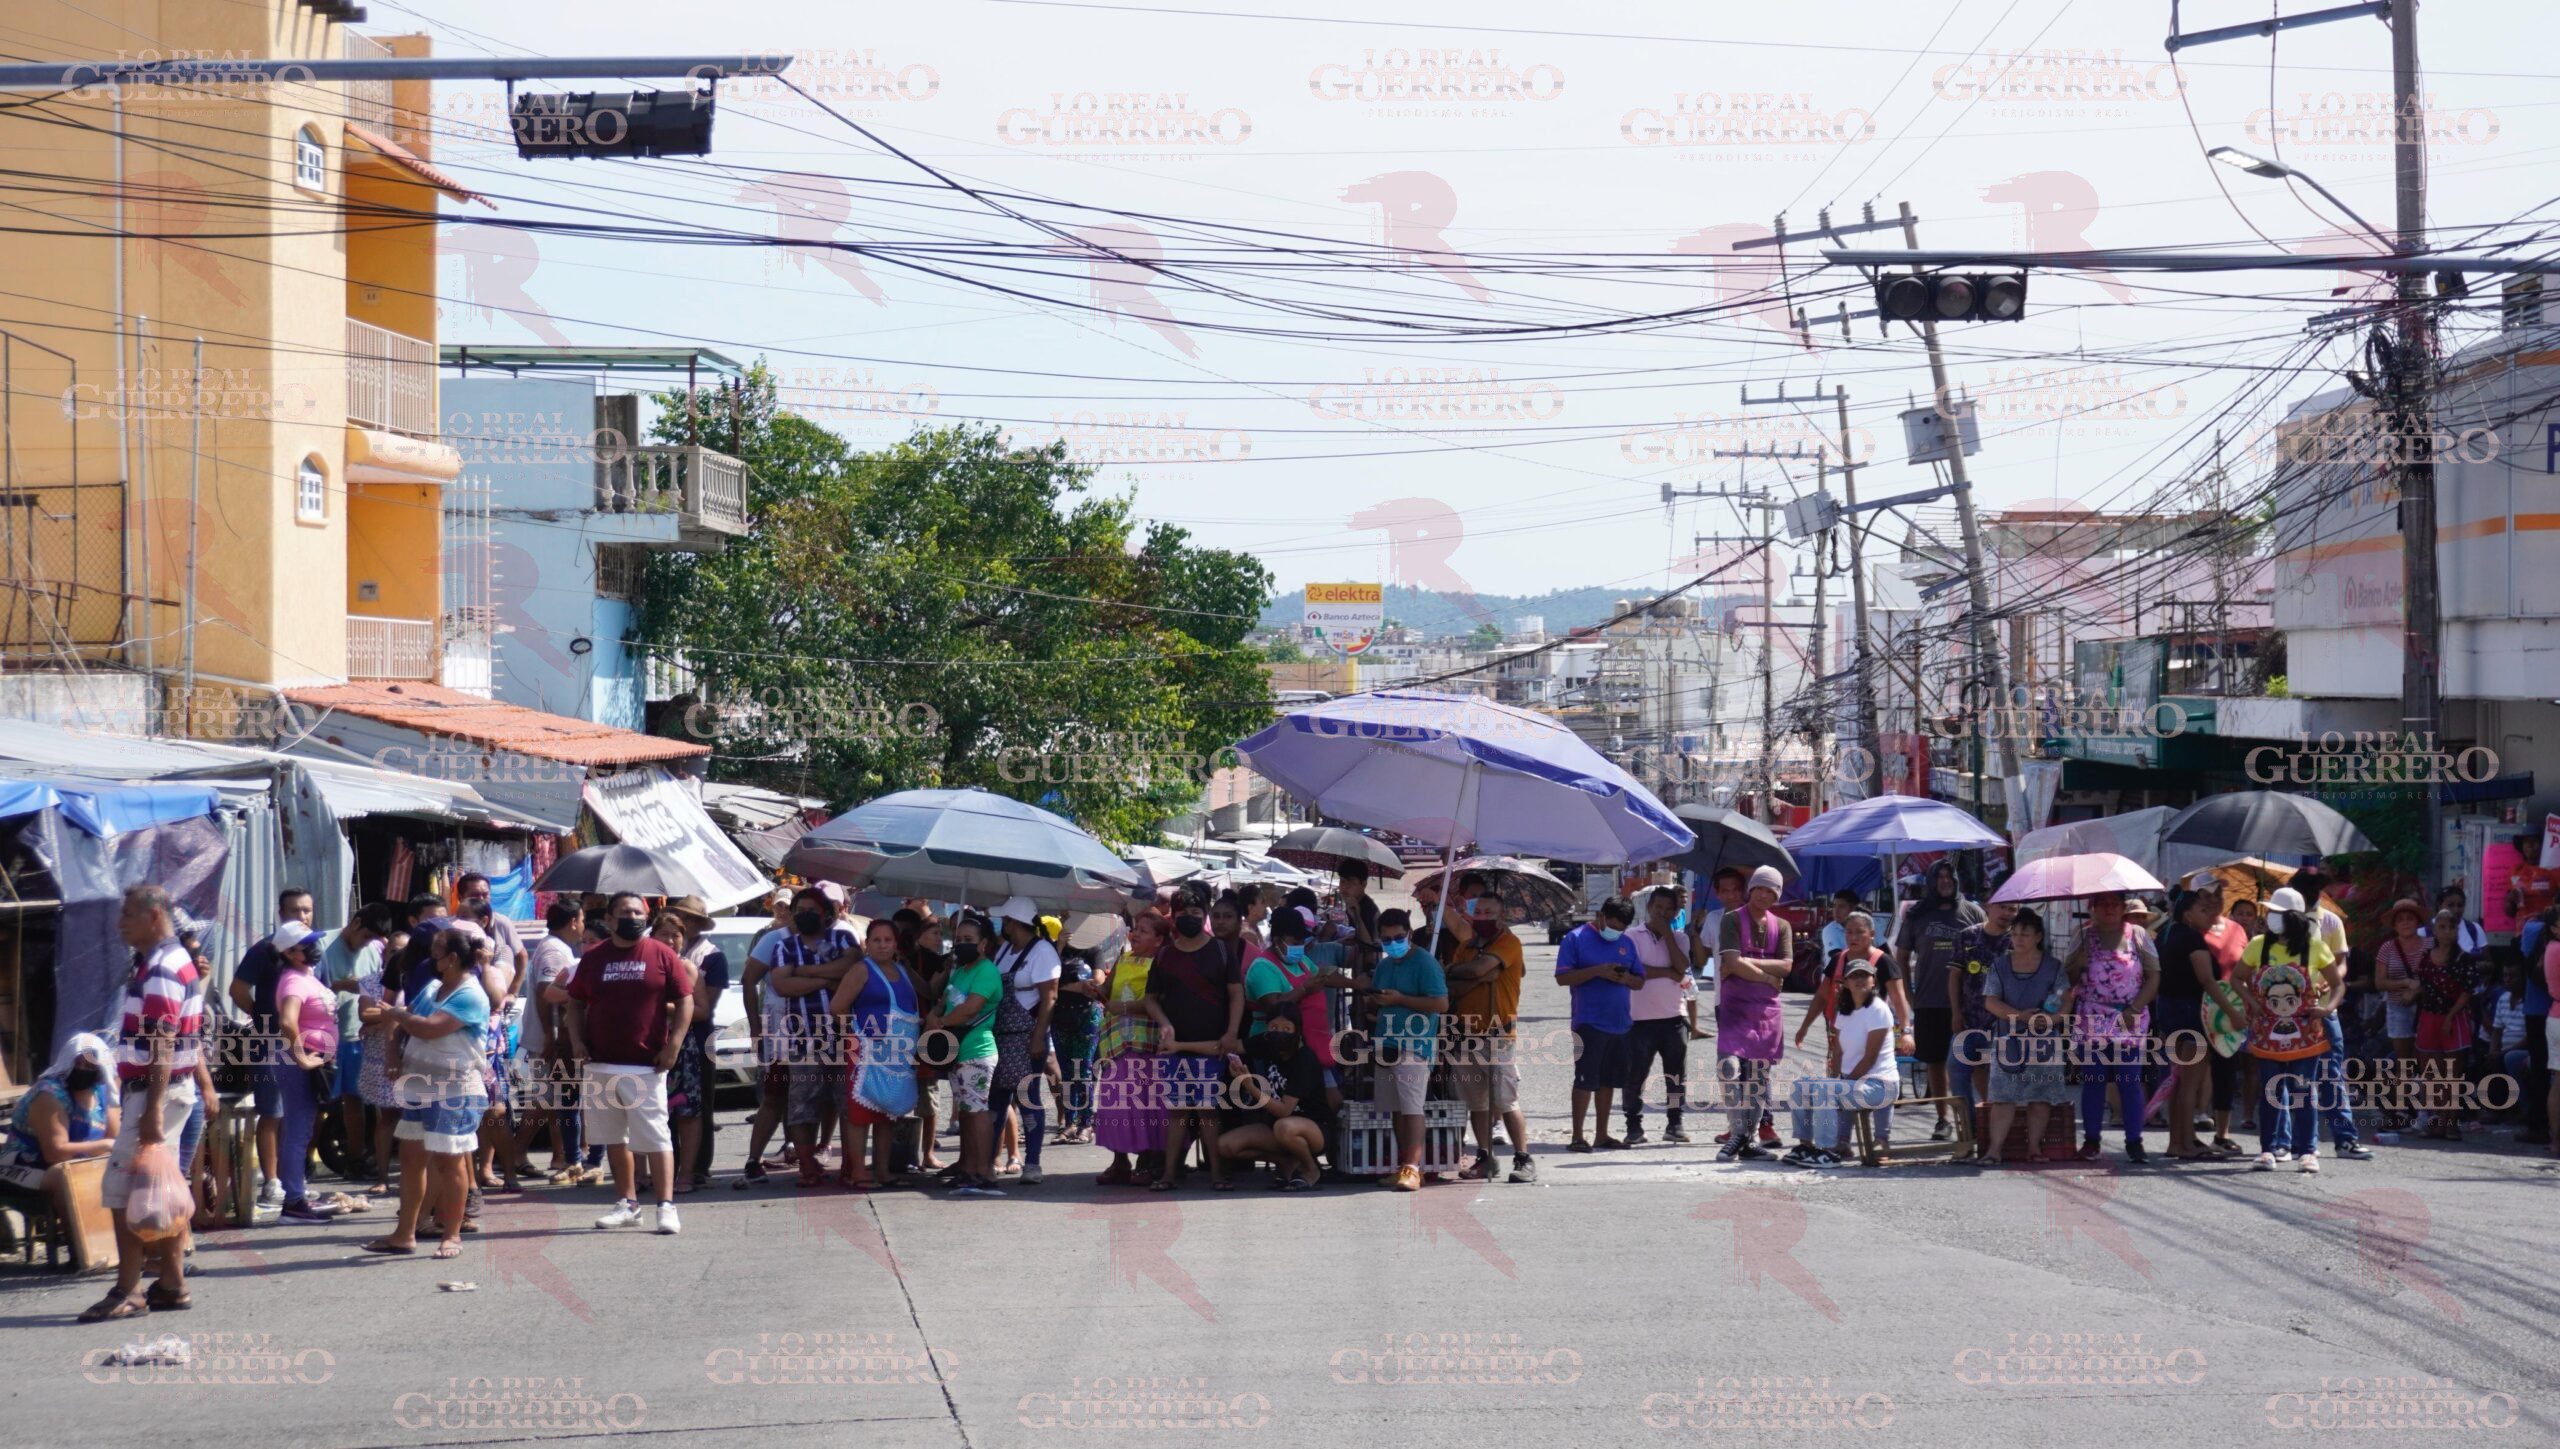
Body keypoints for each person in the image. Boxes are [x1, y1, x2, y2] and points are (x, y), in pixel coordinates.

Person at [79, 886, 207, 1322]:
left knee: (124, 1193)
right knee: (158, 1192)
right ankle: (171, 1283)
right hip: (167, 1090)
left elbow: (162, 1040)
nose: (120, 923)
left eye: (128, 915)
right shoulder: (166, 962)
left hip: (155, 1093)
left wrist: (151, 1108)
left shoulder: (162, 968)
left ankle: (128, 1289)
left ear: (154, 917)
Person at [566, 892, 694, 1233]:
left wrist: (674, 1046)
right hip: (600, 1062)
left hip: (646, 1065)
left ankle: (666, 1206)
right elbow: (574, 1002)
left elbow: (685, 1001)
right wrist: (577, 1041)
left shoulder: (662, 954)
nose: (632, 916)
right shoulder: (594, 958)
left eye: (638, 911)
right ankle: (627, 1203)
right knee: (613, 1139)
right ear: (609, 919)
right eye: (624, 911)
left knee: (655, 1137)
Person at [364, 923, 492, 1261]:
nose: (429, 955)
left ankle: (451, 1234)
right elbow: (402, 1020)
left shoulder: (471, 994)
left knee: (451, 1164)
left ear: (451, 958)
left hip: (455, 1088)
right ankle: (404, 1233)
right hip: (419, 1084)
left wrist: (395, 1014)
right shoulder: (434, 986)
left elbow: (429, 1028)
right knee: (410, 1161)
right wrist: (393, 1052)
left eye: (436, 950)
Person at [1144, 890, 1245, 1191]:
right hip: (1174, 1048)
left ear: (1205, 915)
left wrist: (1231, 1032)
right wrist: (1164, 1023)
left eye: (1196, 912)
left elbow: (1236, 994)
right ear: (1173, 916)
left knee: (1207, 1110)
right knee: (1176, 1111)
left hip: (1211, 1045)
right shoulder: (1164, 955)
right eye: (1183, 913)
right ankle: (1169, 1175)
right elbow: (1150, 1000)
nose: (1190, 917)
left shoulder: (1221, 951)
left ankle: (1217, 1174)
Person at [759, 886, 857, 1189]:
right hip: (802, 1039)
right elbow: (782, 985)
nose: (805, 916)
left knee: (848, 1103)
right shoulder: (783, 946)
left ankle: (852, 1165)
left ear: (827, 914)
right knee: (802, 1105)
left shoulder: (843, 938)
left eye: (812, 910)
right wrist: (829, 978)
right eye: (799, 911)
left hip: (843, 1038)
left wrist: (804, 973)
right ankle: (807, 1164)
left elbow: (851, 967)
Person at [227, 886, 314, 1211]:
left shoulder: (312, 950)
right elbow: (237, 989)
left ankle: (295, 1182)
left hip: (304, 1043)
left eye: (306, 910)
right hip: (268, 1043)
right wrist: (260, 1015)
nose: (301, 916)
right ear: (281, 915)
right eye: (294, 911)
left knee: (299, 1112)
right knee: (272, 1112)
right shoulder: (265, 949)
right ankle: (272, 1183)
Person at [2241, 888, 2335, 1171]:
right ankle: (2268, 1149)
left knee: (2303, 1090)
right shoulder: (2258, 945)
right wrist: (2251, 1004)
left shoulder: (2315, 947)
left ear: (2291, 917)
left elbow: (2339, 983)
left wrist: (2329, 1009)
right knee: (2270, 1090)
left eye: (2275, 913)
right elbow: (2237, 979)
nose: (2270, 917)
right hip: (2267, 1032)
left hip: (2307, 1033)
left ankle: (2307, 1150)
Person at [1444, 892, 1534, 1183]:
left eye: (1488, 912)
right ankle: (1485, 1157)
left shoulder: (1508, 943)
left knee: (1506, 1100)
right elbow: (1453, 986)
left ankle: (1523, 1158)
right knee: (1476, 1103)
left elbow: (1475, 969)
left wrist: (1471, 973)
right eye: (1478, 911)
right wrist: (1477, 977)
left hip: (1497, 1036)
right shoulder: (1467, 946)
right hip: (1465, 1034)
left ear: (1501, 916)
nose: (1482, 917)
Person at [2064, 891, 2159, 1165]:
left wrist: (2136, 1008)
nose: (2109, 909)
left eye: (2114, 903)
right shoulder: (2081, 936)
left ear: (2122, 907)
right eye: (2101, 903)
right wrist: (2076, 964)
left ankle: (2135, 1141)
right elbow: (2067, 978)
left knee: (2129, 1081)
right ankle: (2092, 1140)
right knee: (2093, 1082)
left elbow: (2154, 977)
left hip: (2129, 1017)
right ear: (2091, 907)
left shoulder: (2138, 935)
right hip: (2091, 1018)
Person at [828, 918, 920, 1191]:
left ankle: (883, 1170)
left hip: (897, 1056)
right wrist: (859, 1036)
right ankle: (859, 1172)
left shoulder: (902, 970)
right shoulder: (860, 970)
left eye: (887, 940)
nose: (882, 945)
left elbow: (924, 993)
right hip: (866, 1054)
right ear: (867, 944)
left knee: (887, 1112)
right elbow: (837, 1007)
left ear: (896, 944)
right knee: (860, 1113)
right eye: (876, 940)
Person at [1895, 862, 1982, 1141]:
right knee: (1935, 1061)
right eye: (1940, 877)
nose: (1945, 881)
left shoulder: (1972, 912)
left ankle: (1978, 1117)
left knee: (1975, 1061)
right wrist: (1909, 996)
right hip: (1929, 1000)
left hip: (1969, 1003)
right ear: (1931, 881)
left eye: (1949, 876)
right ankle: (1943, 1120)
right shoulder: (1918, 913)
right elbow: (1901, 956)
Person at [1783, 956, 1897, 1167]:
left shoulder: (1878, 1010)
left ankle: (1829, 1150)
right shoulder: (1844, 1012)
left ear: (1874, 980)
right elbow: (1838, 1052)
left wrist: (1839, 1083)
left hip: (1879, 1085)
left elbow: (1869, 1058)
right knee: (1801, 1086)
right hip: (1853, 1083)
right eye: (1854, 976)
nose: (1860, 980)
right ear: (1845, 982)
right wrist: (1836, 1078)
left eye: (1865, 975)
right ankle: (1806, 1145)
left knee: (1827, 1090)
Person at [510, 897, 591, 1186]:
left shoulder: (557, 948)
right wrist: (550, 1035)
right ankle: (517, 1153)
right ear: (573, 922)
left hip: (554, 1038)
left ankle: (563, 1157)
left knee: (558, 1100)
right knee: (546, 1100)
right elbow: (547, 992)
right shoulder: (555, 951)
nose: (583, 926)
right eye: (582, 920)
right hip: (551, 1039)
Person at [923, 912, 1004, 1197]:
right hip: (959, 1051)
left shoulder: (986, 972)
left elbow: (971, 1007)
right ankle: (968, 1167)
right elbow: (944, 1001)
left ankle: (984, 1169)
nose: (961, 944)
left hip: (977, 1050)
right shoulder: (959, 971)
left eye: (968, 940)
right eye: (958, 940)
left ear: (983, 944)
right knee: (967, 1113)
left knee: (977, 1111)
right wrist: (935, 1014)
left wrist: (942, 1022)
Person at [1715, 867, 1794, 1161]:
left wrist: (1745, 962)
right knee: (1728, 1069)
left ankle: (1747, 1141)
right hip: (1735, 1008)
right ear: (1751, 889)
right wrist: (1766, 976)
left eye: (1771, 891)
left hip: (1766, 1013)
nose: (1764, 894)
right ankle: (1738, 1132)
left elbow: (1787, 966)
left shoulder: (1782, 926)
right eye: (1760, 888)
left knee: (1758, 1079)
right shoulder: (1731, 920)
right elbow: (1730, 963)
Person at [1367, 907, 1448, 1192]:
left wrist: (1401, 999)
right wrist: (1377, 1002)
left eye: (1398, 937)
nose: (1392, 943)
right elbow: (1376, 1000)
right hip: (1386, 1044)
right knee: (1396, 1110)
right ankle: (1404, 1165)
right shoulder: (1385, 966)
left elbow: (1440, 1004)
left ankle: (1413, 1168)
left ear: (1410, 934)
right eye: (1386, 939)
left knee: (1412, 1109)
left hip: (1415, 1046)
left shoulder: (1425, 964)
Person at [1981, 908, 2071, 1164]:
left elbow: (2065, 1001)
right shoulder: (1999, 965)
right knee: (2002, 1097)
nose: (2018, 939)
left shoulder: (2054, 967)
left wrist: (2051, 1019)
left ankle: (2034, 1149)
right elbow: (1991, 1002)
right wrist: (2021, 1017)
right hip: (2008, 1038)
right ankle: (1994, 1151)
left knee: (2040, 1097)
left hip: (2044, 1040)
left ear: (2038, 937)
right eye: (2015, 933)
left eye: (2025, 934)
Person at [266, 922, 342, 1223]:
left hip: (313, 1062)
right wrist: (301, 1057)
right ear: (290, 952)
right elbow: (287, 1021)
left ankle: (297, 1194)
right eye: (307, 943)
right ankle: (294, 1202)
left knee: (302, 1129)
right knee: (297, 1131)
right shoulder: (293, 981)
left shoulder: (306, 977)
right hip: (298, 1064)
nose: (314, 948)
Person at [2291, 870, 2368, 1160]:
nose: (2310, 895)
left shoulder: (2331, 921)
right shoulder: (2281, 924)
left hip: (2323, 1009)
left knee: (2331, 1074)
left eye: (2314, 890)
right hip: (2289, 1013)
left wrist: (2329, 979)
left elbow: (2342, 963)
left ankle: (2344, 1139)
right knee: (2296, 1079)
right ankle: (2297, 1143)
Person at [1555, 897, 1642, 1152]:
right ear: (1601, 916)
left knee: (1608, 1081)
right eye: (1613, 925)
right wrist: (1597, 971)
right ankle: (1578, 1136)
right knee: (1585, 1079)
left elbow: (1639, 981)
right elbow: (1562, 978)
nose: (1616, 932)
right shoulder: (1576, 938)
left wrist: (1623, 977)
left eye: (1621, 928)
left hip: (1620, 1023)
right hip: (1588, 1021)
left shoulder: (1627, 943)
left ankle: (1601, 1134)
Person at [986, 896, 1063, 1187]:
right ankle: (988, 1161)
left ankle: (1033, 1163)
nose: (1001, 925)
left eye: (1004, 920)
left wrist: (1039, 1037)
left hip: (1027, 1036)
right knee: (996, 1101)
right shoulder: (1004, 950)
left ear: (1012, 922)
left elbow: (1050, 997)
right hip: (1000, 1035)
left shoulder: (1042, 951)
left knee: (1028, 1098)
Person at [654, 897, 729, 1193]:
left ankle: (696, 1168)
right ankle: (665, 1169)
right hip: (655, 1042)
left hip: (696, 1040)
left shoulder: (711, 957)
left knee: (696, 1107)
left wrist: (665, 1005)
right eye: (667, 930)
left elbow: (704, 1008)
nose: (674, 936)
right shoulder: (649, 959)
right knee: (659, 1110)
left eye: (684, 924)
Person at [1215, 1012, 1332, 1189]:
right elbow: (1226, 1046)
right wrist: (1178, 1045)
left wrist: (1249, 1085)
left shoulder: (1305, 1058)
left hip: (1314, 1129)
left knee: (1284, 1125)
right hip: (1277, 1130)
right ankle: (1289, 1160)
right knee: (1226, 1145)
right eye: (1274, 1028)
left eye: (1287, 1029)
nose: (1279, 1033)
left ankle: (1310, 1168)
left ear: (1297, 1031)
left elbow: (1284, 1110)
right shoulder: (1266, 1043)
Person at [2155, 886, 2229, 1162]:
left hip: (2168, 1012)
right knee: (2190, 1083)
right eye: (2202, 910)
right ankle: (2186, 1142)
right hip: (2190, 1013)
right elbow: (2207, 981)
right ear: (2187, 914)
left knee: (2178, 1080)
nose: (2208, 914)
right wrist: (2232, 1013)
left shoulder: (2165, 935)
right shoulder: (2192, 940)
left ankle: (2178, 1142)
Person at [1094, 912, 1168, 1187]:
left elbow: (1157, 1000)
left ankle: (1146, 1162)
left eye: (1144, 932)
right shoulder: (1124, 958)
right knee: (1116, 1106)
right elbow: (1109, 990)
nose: (1135, 935)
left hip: (1143, 1043)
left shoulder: (1161, 964)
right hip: (1115, 1042)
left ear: (1159, 940)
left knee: (1142, 1106)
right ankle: (1120, 1161)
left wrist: (1124, 1007)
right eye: (1135, 930)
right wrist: (1095, 989)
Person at [321, 903, 391, 1186]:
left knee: (361, 1100)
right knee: (319, 1104)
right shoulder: (323, 946)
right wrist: (340, 985)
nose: (366, 944)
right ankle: (305, 1162)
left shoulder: (372, 952)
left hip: (360, 1035)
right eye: (365, 936)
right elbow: (306, 987)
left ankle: (357, 1158)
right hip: (325, 1035)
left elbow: (376, 992)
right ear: (355, 922)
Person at [2, 1032, 119, 1192]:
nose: (83, 1069)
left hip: (74, 1164)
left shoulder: (102, 1094)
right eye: (78, 1063)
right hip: (20, 1164)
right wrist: (103, 1146)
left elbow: (114, 1138)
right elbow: (55, 1154)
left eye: (91, 1065)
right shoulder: (49, 1093)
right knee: (65, 1179)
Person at [1623, 885, 1693, 1145]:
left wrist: (1668, 935)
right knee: (1635, 1076)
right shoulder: (1631, 936)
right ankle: (1633, 1125)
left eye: (1668, 909)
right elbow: (1633, 970)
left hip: (1674, 1017)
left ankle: (1675, 1123)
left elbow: (1683, 967)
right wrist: (1666, 972)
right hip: (1638, 1019)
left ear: (1676, 912)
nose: (1662, 913)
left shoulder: (1680, 938)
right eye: (1658, 908)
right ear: (1649, 907)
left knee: (1675, 1078)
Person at [1947, 897, 2016, 1154]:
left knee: (1998, 1082)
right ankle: (1968, 1131)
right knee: (1956, 1070)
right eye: (2002, 906)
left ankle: (1996, 1136)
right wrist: (1955, 1013)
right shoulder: (1967, 936)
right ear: (1988, 906)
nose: (2007, 913)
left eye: (2012, 908)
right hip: (1968, 1021)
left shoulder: (2018, 941)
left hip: (2003, 1025)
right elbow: (1954, 976)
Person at [2412, 907, 2478, 1141]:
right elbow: (2424, 985)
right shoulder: (2426, 957)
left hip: (2454, 1017)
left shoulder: (2464, 958)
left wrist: (2450, 1016)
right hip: (2429, 1015)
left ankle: (2451, 1122)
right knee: (2432, 1072)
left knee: (2452, 1073)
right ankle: (2437, 1120)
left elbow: (2467, 992)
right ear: (2435, 930)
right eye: (2442, 927)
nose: (2447, 931)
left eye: (2452, 927)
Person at [2372, 899, 2427, 1132]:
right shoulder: (2387, 948)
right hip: (2398, 1008)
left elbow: (2437, 976)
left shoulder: (2430, 944)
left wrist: (2417, 989)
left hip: (2425, 1007)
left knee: (2425, 1061)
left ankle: (2424, 1110)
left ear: (2417, 921)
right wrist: (2405, 983)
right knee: (2404, 1062)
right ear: (2395, 924)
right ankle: (2401, 1109)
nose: (2406, 922)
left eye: (2410, 918)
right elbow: (2379, 982)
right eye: (2401, 919)